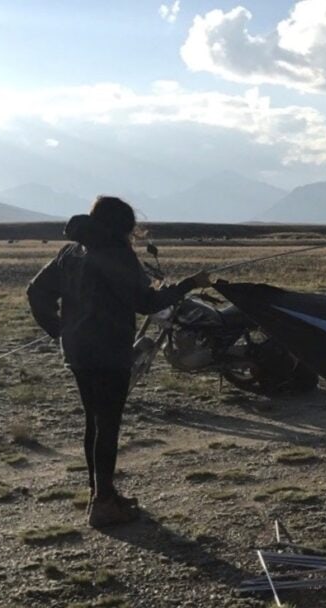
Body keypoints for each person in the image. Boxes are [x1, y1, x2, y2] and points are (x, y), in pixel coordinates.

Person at [27, 196, 211, 527]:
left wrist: (59, 331)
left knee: (94, 422)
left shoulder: (71, 252)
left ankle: (101, 493)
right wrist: (188, 285)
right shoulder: (116, 254)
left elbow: (35, 292)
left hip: (78, 352)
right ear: (121, 226)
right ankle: (103, 503)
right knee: (107, 424)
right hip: (109, 351)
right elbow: (146, 302)